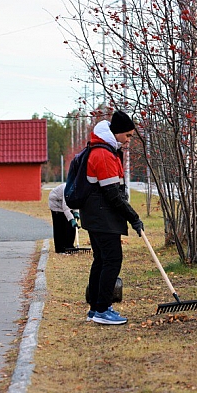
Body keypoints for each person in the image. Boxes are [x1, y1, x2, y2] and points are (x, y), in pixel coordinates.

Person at [81, 110, 143, 325]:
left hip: (97, 216)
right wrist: (133, 217)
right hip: (102, 216)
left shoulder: (104, 149)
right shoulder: (103, 154)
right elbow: (112, 195)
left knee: (101, 261)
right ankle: (102, 310)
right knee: (111, 260)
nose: (128, 140)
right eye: (127, 136)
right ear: (116, 133)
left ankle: (95, 308)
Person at [48, 182, 78, 253]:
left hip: (63, 203)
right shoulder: (67, 190)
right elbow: (66, 208)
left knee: (70, 226)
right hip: (56, 203)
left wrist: (76, 212)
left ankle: (69, 246)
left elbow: (75, 202)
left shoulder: (77, 191)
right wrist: (72, 219)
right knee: (59, 226)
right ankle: (60, 248)